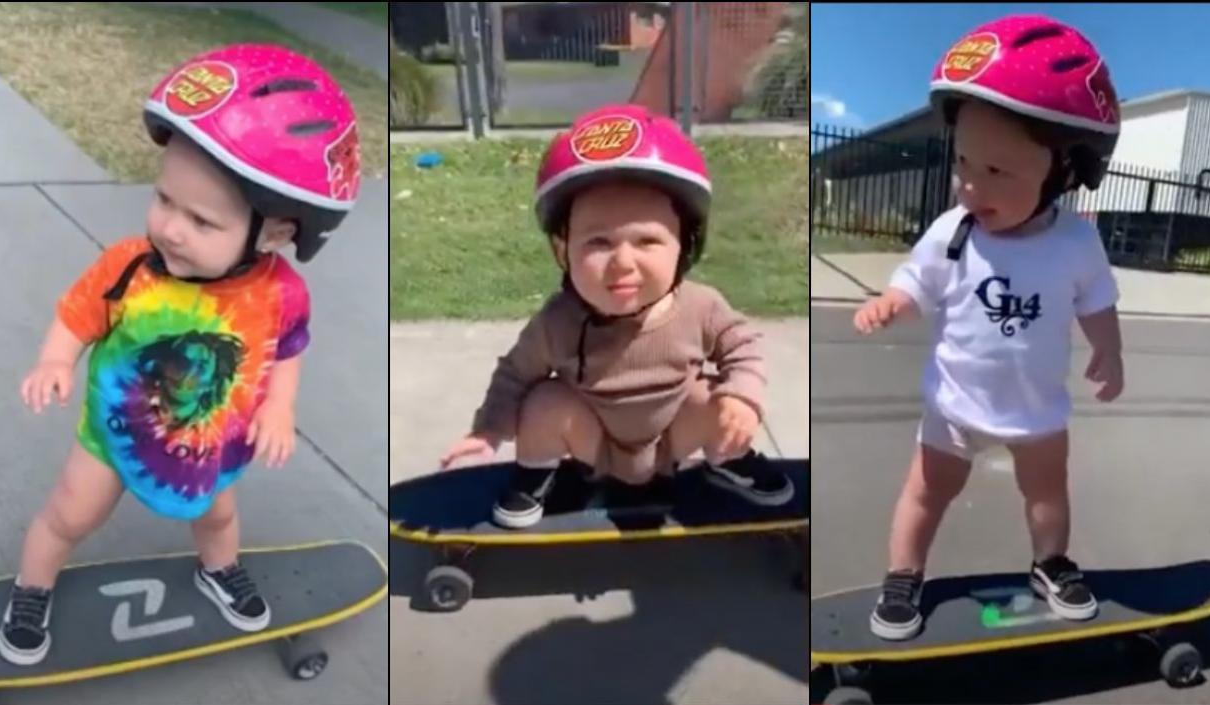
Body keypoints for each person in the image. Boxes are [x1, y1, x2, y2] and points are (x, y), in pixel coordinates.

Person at [0, 43, 361, 666]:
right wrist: (56, 360)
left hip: (211, 446)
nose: (169, 228)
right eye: (165, 199)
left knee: (218, 519)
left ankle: (217, 572)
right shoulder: (130, 266)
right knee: (67, 515)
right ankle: (31, 590)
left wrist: (280, 407)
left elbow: (287, 350)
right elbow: (76, 315)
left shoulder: (280, 293)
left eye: (201, 220)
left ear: (277, 231)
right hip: (113, 437)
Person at [854, 15, 1125, 640]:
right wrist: (893, 300)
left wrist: (1109, 350)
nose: (971, 184)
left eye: (997, 172)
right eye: (964, 162)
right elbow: (916, 280)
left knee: (1047, 495)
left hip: (1036, 413)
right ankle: (903, 576)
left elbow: (1097, 302)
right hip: (954, 406)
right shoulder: (953, 231)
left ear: (1065, 169)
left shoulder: (1077, 242)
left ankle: (1050, 564)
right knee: (924, 494)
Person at [439, 104, 796, 529]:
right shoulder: (558, 322)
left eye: (647, 240)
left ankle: (729, 457)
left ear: (684, 244)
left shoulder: (701, 305)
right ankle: (534, 475)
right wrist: (488, 432)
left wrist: (742, 397)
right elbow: (514, 375)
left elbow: (744, 345)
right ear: (561, 250)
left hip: (673, 440)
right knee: (543, 401)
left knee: (715, 397)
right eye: (598, 242)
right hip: (593, 445)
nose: (623, 262)